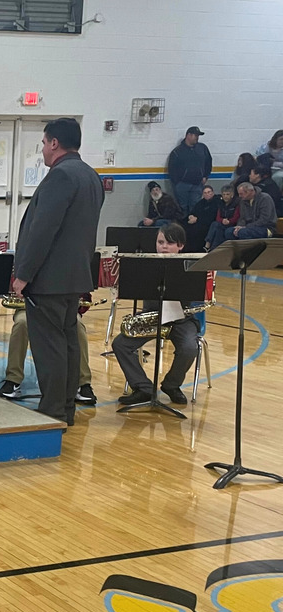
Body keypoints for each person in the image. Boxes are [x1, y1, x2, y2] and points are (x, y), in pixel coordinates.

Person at [12, 118, 104, 426]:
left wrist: (23, 273)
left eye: (43, 143)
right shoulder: (91, 176)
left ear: (54, 143)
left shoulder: (60, 176)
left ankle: (51, 413)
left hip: (49, 279)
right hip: (74, 277)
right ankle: (65, 410)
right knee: (68, 344)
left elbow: (43, 230)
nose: (42, 150)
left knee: (50, 349)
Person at [113, 223, 199, 407]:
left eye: (169, 243)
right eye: (160, 242)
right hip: (151, 317)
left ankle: (172, 385)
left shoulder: (191, 265)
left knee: (190, 348)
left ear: (181, 246)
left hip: (181, 320)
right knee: (120, 344)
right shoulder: (145, 263)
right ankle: (143, 387)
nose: (164, 247)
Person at [0, 294, 97, 405]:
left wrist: (79, 302)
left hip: (63, 309)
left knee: (77, 325)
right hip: (30, 307)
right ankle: (13, 379)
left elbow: (84, 295)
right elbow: (15, 285)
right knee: (21, 323)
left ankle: (83, 383)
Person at [208, 182, 277, 248]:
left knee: (243, 232)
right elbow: (242, 218)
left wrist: (246, 227)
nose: (240, 196)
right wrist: (239, 226)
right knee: (229, 231)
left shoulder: (265, 198)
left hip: (266, 228)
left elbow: (264, 220)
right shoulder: (243, 201)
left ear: (250, 191)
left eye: (241, 194)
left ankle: (248, 253)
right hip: (247, 227)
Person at [167, 126, 212, 213]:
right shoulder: (177, 152)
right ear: (188, 135)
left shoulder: (202, 148)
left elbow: (208, 162)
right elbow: (172, 169)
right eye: (196, 135)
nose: (197, 138)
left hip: (197, 184)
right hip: (182, 185)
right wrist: (177, 183)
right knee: (182, 208)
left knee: (196, 208)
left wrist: (205, 176)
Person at [183, 184, 221, 252]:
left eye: (209, 192)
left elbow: (213, 216)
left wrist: (197, 219)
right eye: (205, 193)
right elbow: (193, 212)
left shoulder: (217, 201)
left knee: (196, 230)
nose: (207, 194)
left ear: (213, 192)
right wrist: (190, 216)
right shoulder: (201, 203)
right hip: (197, 222)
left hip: (208, 223)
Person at [204, 185, 240, 251]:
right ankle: (213, 249)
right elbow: (218, 217)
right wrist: (222, 220)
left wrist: (229, 221)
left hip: (233, 224)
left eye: (227, 194)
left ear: (232, 194)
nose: (225, 196)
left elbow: (237, 217)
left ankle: (207, 245)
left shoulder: (236, 203)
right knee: (217, 229)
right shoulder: (221, 204)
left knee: (215, 225)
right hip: (222, 223)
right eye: (223, 194)